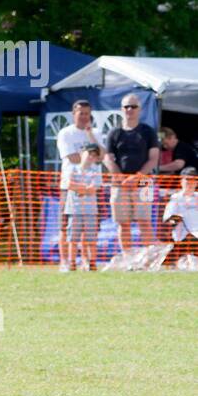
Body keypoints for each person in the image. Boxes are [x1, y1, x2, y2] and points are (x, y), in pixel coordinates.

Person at [103, 94, 159, 252]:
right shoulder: (114, 132)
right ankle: (128, 257)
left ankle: (148, 259)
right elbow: (107, 158)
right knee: (123, 222)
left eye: (133, 106)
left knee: (144, 221)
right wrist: (120, 177)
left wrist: (136, 177)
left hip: (143, 183)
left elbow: (153, 159)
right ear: (122, 109)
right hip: (119, 184)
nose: (129, 110)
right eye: (126, 106)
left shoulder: (148, 132)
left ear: (139, 110)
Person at [55, 100, 98, 272]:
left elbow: (101, 155)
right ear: (74, 114)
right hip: (68, 186)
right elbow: (71, 157)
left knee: (89, 230)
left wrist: (90, 138)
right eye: (81, 113)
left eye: (87, 113)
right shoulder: (65, 133)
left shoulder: (94, 133)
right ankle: (65, 261)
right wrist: (89, 157)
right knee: (65, 226)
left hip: (90, 186)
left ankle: (87, 262)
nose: (84, 116)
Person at [61, 141, 104, 271]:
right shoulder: (72, 169)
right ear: (82, 153)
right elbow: (69, 184)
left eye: (94, 155)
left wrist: (80, 189)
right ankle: (72, 263)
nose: (91, 157)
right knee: (72, 239)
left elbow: (94, 189)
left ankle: (92, 263)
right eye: (89, 153)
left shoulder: (96, 171)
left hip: (91, 210)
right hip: (74, 210)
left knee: (91, 239)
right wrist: (85, 189)